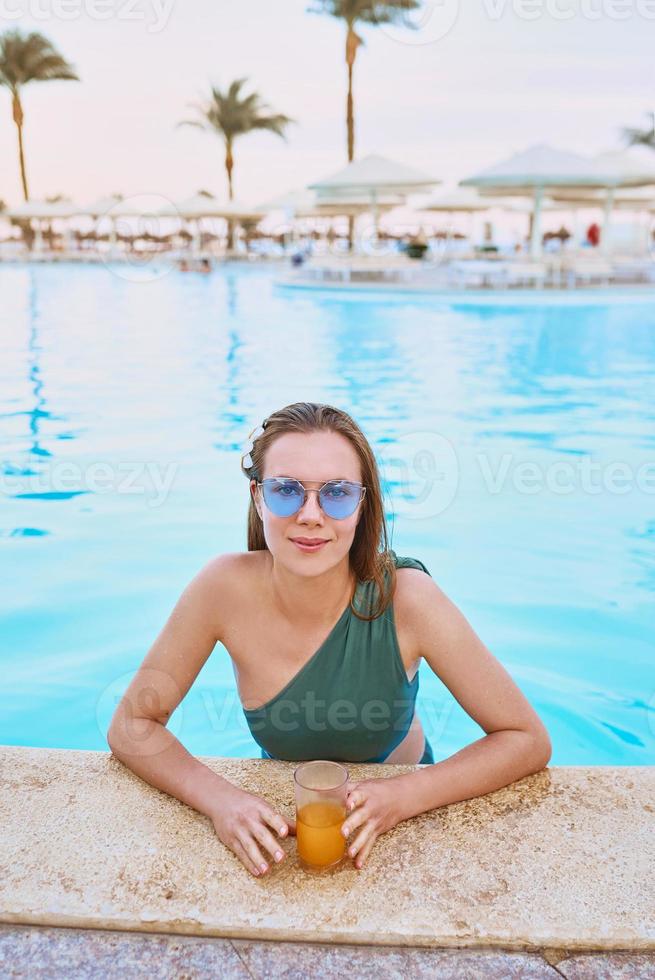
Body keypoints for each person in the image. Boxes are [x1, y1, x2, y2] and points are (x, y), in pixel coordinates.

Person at [108, 402, 551, 878]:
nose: (311, 515)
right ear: (258, 498)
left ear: (363, 504)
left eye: (337, 494)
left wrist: (402, 796)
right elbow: (132, 725)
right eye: (286, 491)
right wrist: (222, 801)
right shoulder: (222, 590)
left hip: (400, 803)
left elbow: (525, 738)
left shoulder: (407, 600)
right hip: (288, 813)